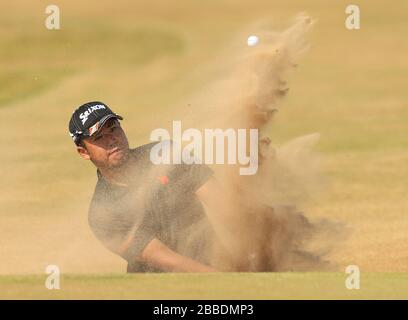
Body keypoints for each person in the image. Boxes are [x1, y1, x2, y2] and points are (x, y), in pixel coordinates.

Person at [68, 101, 219, 272]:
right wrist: (224, 279)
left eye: (113, 128)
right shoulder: (102, 214)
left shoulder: (166, 154)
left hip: (215, 261)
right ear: (84, 152)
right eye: (99, 138)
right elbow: (168, 260)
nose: (112, 140)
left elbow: (222, 202)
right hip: (164, 286)